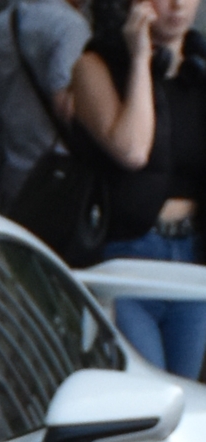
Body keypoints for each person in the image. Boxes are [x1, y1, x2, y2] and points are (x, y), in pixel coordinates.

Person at [74, 0, 206, 372]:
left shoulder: (199, 70)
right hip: (129, 253)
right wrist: (139, 60)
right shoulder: (95, 66)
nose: (178, 5)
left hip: (193, 255)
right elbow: (131, 150)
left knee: (184, 396)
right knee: (145, 395)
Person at [0, 0, 92, 206]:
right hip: (63, 169)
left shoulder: (2, 23)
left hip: (17, 165)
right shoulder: (69, 25)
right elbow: (65, 104)